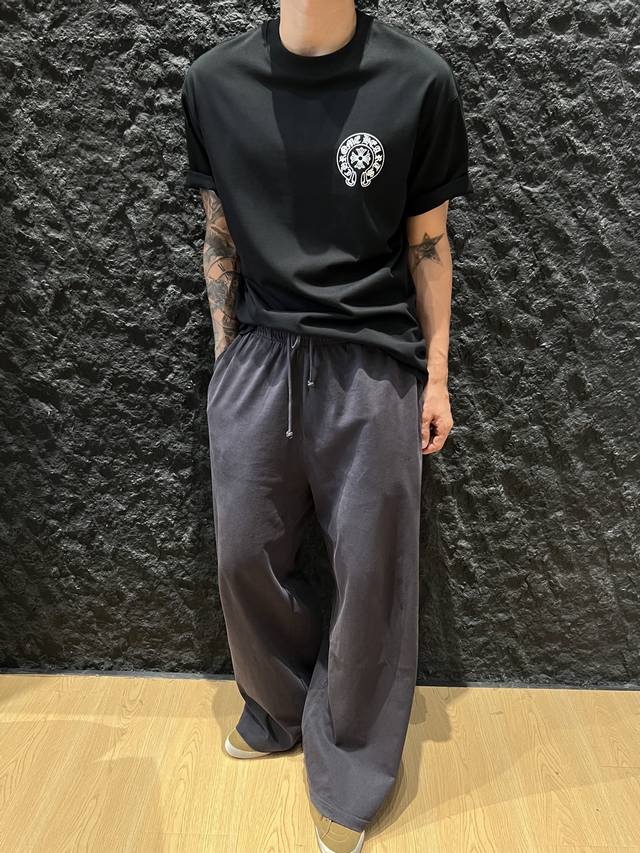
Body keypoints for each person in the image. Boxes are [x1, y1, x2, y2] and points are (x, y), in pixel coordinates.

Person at [181, 2, 472, 850]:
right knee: (243, 555)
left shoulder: (417, 81)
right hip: (261, 353)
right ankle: (280, 707)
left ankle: (352, 761)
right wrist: (227, 365)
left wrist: (437, 378)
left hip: (372, 361)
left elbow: (429, 243)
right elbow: (219, 236)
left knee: (374, 572)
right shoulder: (213, 83)